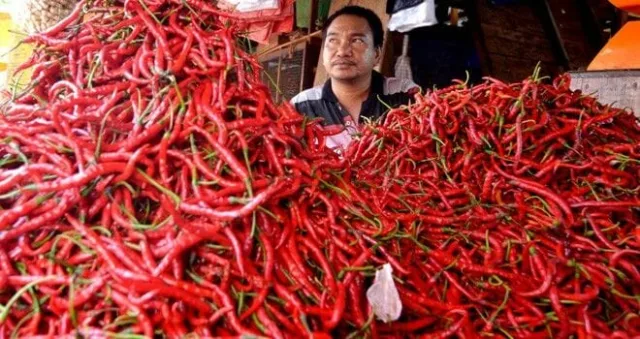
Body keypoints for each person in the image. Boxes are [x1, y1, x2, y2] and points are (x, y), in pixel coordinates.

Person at [291, 5, 419, 151]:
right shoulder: (301, 106)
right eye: (333, 40)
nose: (342, 51)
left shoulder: (404, 95)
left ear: (376, 54)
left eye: (357, 40)